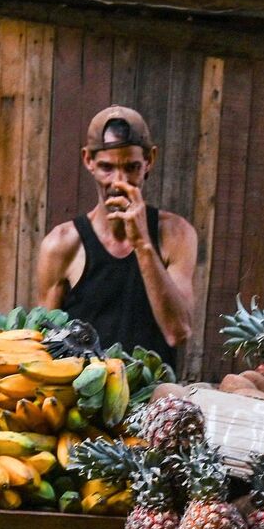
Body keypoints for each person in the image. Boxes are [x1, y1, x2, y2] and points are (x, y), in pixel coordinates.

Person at [34, 106, 198, 365]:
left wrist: (143, 244)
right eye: (107, 168)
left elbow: (178, 333)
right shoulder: (62, 244)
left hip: (154, 398)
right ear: (88, 161)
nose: (119, 181)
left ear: (149, 161)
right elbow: (44, 344)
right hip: (87, 395)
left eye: (132, 167)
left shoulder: (175, 235)